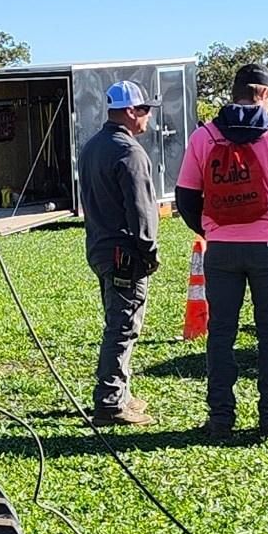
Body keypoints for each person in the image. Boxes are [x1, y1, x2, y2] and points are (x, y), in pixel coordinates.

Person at [175, 61, 268, 439]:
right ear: (265, 94)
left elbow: (185, 196)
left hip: (220, 248)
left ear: (233, 92)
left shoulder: (204, 137)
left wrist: (209, 228)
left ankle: (220, 418)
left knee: (221, 332)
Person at [78, 80, 161, 427]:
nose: (148, 119)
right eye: (144, 111)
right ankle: (111, 401)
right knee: (124, 325)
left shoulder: (92, 147)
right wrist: (149, 250)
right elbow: (142, 211)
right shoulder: (129, 152)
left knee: (117, 319)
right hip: (124, 252)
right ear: (129, 112)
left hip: (99, 247)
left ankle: (120, 393)